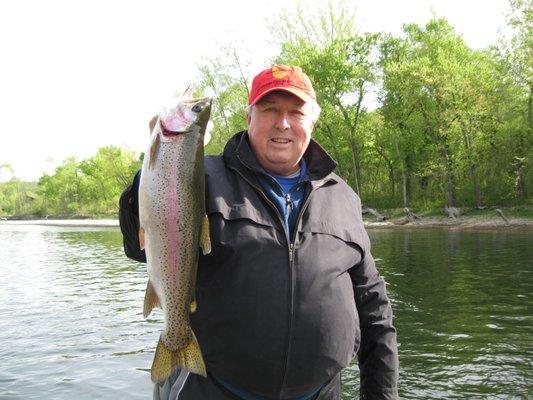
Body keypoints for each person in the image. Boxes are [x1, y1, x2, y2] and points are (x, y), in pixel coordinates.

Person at [119, 65, 399, 400]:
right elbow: (140, 245)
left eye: (296, 112)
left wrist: (382, 395)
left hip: (321, 393)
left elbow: (374, 306)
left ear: (312, 121)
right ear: (249, 116)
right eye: (269, 110)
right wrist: (164, 159)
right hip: (213, 389)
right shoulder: (202, 176)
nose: (283, 123)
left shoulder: (343, 196)